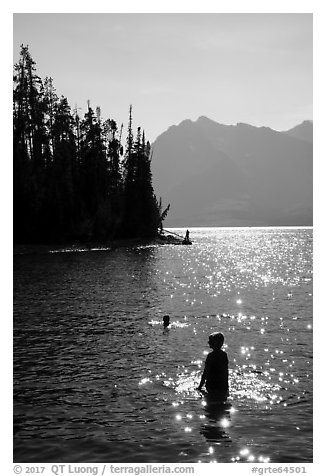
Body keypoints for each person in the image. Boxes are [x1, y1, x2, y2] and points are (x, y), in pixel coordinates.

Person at [197, 332, 229, 402]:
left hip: (212, 385)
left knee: (210, 403)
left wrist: (199, 387)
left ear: (215, 343)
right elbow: (225, 372)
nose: (208, 342)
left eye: (210, 341)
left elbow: (206, 372)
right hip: (222, 385)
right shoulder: (224, 355)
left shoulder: (210, 356)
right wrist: (226, 387)